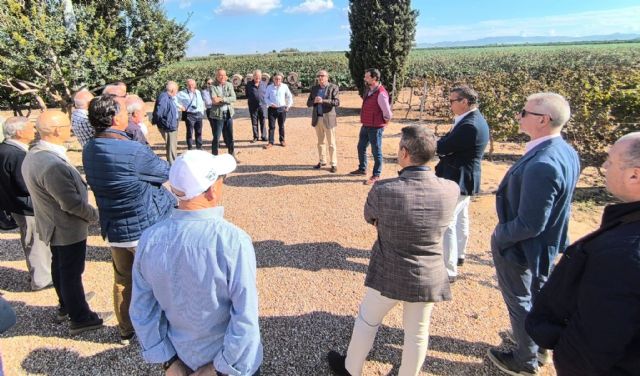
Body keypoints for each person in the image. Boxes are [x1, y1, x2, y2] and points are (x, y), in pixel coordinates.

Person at [328, 125, 459, 376]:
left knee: (367, 322)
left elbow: (370, 217)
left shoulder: (385, 189)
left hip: (389, 269)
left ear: (405, 153)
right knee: (417, 333)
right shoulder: (450, 189)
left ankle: (351, 369)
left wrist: (385, 222)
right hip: (428, 273)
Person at [130, 150, 263, 376]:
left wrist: (168, 360)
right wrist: (218, 368)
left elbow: (142, 309)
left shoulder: (149, 239)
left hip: (181, 358)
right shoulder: (233, 241)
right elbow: (245, 317)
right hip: (229, 364)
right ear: (212, 190)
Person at [525, 132, 640, 376]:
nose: (605, 166)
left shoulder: (623, 253)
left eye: (610, 160)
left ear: (635, 174)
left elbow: (592, 347)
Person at [487, 93, 580, 376]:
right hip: (544, 245)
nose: (519, 116)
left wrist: (500, 234)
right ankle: (540, 346)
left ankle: (525, 361)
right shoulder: (566, 151)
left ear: (543, 120)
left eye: (524, 112)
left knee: (520, 302)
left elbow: (530, 224)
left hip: (522, 248)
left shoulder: (543, 163)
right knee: (538, 296)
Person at [83, 94, 175, 345]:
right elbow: (165, 172)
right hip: (143, 226)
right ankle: (161, 334)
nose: (127, 114)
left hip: (115, 229)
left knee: (123, 280)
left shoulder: (90, 148)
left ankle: (125, 330)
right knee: (159, 280)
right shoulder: (132, 150)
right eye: (123, 110)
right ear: (114, 118)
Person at [22, 110, 105, 335]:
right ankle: (80, 316)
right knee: (70, 271)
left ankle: (66, 304)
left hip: (52, 224)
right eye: (67, 125)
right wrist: (94, 215)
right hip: (66, 227)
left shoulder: (35, 154)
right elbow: (70, 204)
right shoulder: (52, 164)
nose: (71, 128)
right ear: (57, 130)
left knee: (61, 268)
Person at [435, 85, 490, 281]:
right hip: (465, 177)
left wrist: (433, 144)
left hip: (458, 178)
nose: (450, 105)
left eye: (452, 101)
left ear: (464, 102)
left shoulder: (470, 125)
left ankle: (448, 270)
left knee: (447, 221)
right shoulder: (472, 119)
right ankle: (459, 255)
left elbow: (445, 145)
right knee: (461, 217)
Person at [0, 117, 52, 291]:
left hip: (16, 205)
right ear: (19, 132)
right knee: (36, 242)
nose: (35, 131)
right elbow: (25, 184)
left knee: (33, 240)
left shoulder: (5, 149)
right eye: (31, 128)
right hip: (27, 206)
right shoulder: (17, 154)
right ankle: (41, 280)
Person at [349, 68, 392, 185]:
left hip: (376, 127)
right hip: (366, 125)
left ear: (374, 78)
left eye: (367, 77)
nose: (364, 78)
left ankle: (376, 175)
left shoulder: (381, 93)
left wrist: (383, 124)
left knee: (376, 151)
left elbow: (388, 113)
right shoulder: (369, 90)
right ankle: (362, 169)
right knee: (361, 147)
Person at [306, 70, 340, 173]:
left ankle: (334, 164)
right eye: (319, 76)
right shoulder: (314, 88)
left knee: (331, 143)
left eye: (322, 76)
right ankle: (322, 160)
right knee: (320, 142)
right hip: (318, 118)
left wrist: (323, 101)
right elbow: (308, 103)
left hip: (329, 118)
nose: (320, 78)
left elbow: (337, 102)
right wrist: (314, 101)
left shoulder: (333, 87)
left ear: (327, 77)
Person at [208, 69, 237, 159]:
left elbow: (234, 98)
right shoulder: (213, 86)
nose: (222, 77)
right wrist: (226, 100)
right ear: (217, 76)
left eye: (224, 75)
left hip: (228, 114)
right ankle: (214, 156)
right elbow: (214, 101)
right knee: (216, 137)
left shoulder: (229, 85)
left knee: (230, 136)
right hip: (217, 115)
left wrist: (222, 99)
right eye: (220, 75)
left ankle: (232, 155)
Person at [152, 81, 180, 164]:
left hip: (170, 125)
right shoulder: (164, 97)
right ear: (172, 90)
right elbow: (159, 113)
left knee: (172, 146)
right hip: (168, 127)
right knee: (171, 147)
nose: (177, 92)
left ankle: (173, 163)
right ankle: (172, 165)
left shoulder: (168, 97)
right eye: (176, 90)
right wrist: (164, 124)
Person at [263, 72, 293, 149]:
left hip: (282, 109)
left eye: (279, 79)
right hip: (272, 110)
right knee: (271, 126)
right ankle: (270, 142)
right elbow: (266, 98)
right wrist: (270, 104)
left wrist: (288, 106)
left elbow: (289, 97)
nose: (277, 80)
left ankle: (282, 140)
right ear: (273, 79)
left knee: (281, 126)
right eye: (276, 79)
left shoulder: (285, 86)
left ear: (281, 79)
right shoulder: (269, 87)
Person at [177, 78, 205, 150]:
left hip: (198, 114)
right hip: (189, 115)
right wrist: (180, 106)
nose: (191, 86)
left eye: (192, 84)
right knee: (190, 132)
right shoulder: (182, 93)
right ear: (186, 85)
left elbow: (201, 102)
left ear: (195, 85)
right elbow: (174, 99)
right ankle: (190, 148)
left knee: (199, 132)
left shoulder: (198, 92)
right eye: (189, 85)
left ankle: (199, 147)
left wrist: (202, 112)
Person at [246, 69, 268, 142]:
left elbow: (267, 95)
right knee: (254, 122)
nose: (257, 77)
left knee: (263, 121)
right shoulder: (249, 84)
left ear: (261, 76)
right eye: (256, 76)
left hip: (263, 106)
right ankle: (255, 137)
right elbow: (247, 95)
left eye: (259, 76)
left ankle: (264, 136)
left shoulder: (264, 84)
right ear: (253, 76)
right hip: (253, 107)